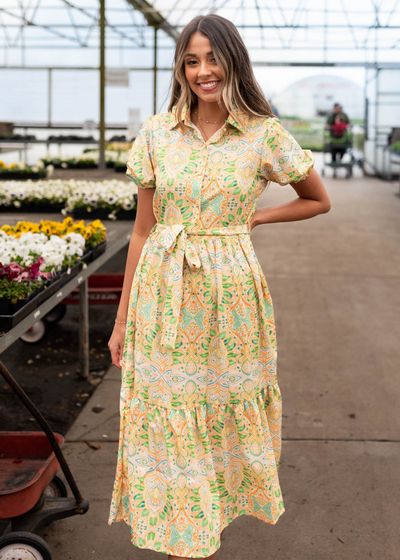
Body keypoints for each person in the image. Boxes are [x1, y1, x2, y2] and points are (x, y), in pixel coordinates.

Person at [107, 13, 331, 560]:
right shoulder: (158, 132)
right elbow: (141, 232)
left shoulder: (263, 133)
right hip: (164, 289)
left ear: (233, 60)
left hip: (231, 295)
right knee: (170, 406)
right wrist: (120, 318)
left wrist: (255, 220)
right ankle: (184, 534)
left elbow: (317, 199)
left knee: (218, 408)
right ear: (181, 68)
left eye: (212, 57)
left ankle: (210, 525)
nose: (203, 71)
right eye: (191, 60)